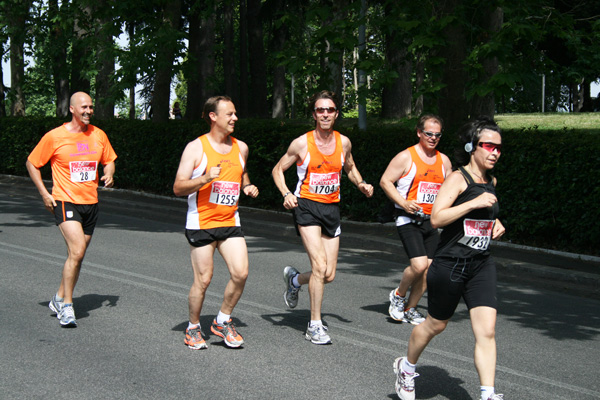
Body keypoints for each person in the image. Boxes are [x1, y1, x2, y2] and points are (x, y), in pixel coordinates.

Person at [393, 116, 506, 400]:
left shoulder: (490, 180)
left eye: (499, 148)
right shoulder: (458, 178)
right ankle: (406, 368)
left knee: (487, 330)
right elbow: (437, 218)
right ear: (472, 147)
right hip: (450, 264)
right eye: (488, 146)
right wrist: (473, 203)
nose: (494, 152)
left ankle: (488, 393)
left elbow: (484, 215)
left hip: (481, 264)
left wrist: (495, 223)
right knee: (435, 324)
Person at [272, 90, 374, 345]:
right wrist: (286, 193)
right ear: (314, 114)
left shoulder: (344, 142)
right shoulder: (301, 143)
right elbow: (277, 170)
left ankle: (295, 280)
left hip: (331, 209)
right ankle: (314, 325)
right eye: (320, 110)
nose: (325, 114)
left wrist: (360, 183)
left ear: (336, 114)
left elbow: (349, 166)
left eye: (330, 110)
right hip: (306, 207)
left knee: (328, 274)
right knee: (319, 266)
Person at [173, 95, 259, 350]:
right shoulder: (196, 148)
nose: (234, 118)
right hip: (201, 221)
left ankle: (222, 320)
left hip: (230, 220)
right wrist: (204, 179)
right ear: (213, 117)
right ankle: (193, 328)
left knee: (241, 273)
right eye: (229, 114)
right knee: (204, 279)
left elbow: (241, 171)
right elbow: (178, 187)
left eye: (235, 114)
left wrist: (247, 186)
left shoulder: (240, 147)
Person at [26, 91, 117, 328]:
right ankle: (67, 306)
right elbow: (32, 163)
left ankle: (57, 297)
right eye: (84, 107)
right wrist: (44, 193)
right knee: (76, 251)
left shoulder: (98, 135)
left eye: (91, 107)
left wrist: (109, 173)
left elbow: (109, 159)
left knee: (77, 256)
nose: (88, 111)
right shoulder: (55, 136)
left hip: (91, 203)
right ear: (73, 110)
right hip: (65, 200)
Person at [380, 115, 452, 325]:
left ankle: (411, 308)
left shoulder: (443, 160)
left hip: (431, 221)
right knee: (419, 265)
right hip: (407, 218)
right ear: (419, 132)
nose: (433, 138)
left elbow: (450, 188)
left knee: (429, 269)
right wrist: (403, 203)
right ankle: (399, 295)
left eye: (437, 135)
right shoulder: (406, 157)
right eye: (429, 133)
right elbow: (385, 181)